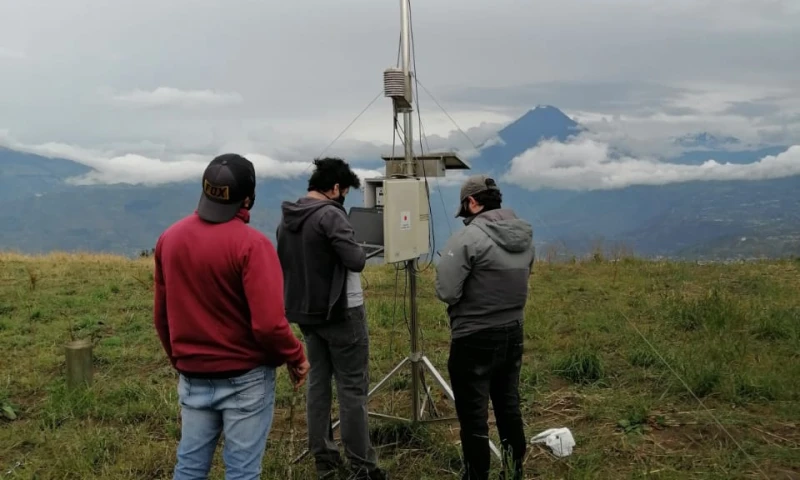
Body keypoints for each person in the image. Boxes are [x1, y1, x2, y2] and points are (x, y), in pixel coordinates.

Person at [153, 153, 310, 480]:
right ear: (249, 199)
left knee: (190, 467)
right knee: (241, 472)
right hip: (246, 379)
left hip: (193, 372)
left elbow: (162, 317)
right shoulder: (253, 246)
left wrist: (179, 360)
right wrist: (295, 355)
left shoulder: (170, 239)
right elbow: (268, 324)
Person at [276, 157, 387, 480]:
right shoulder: (331, 216)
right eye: (345, 192)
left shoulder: (288, 218)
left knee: (318, 385)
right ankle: (362, 467)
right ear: (336, 188)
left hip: (307, 314)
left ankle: (324, 459)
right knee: (352, 390)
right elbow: (355, 261)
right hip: (342, 312)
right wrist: (354, 243)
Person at [435, 175, 535, 480]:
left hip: (473, 337)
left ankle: (477, 475)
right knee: (508, 405)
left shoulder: (467, 239)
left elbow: (446, 291)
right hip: (513, 331)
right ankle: (514, 470)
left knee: (474, 416)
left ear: (472, 202)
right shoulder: (525, 235)